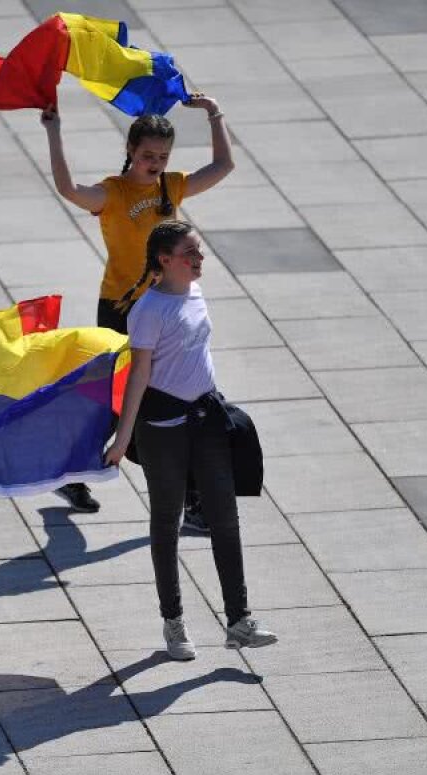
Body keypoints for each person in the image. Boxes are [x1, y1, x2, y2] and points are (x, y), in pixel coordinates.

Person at [41, 92, 234, 519]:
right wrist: (54, 131)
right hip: (121, 310)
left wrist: (214, 113)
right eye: (148, 155)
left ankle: (87, 471)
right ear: (130, 150)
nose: (156, 164)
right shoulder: (114, 193)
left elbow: (223, 166)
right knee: (129, 400)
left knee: (158, 400)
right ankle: (181, 494)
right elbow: (69, 189)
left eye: (163, 157)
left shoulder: (171, 186)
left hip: (166, 307)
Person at [104, 220, 276, 660]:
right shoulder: (148, 310)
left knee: (224, 517)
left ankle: (239, 621)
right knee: (167, 521)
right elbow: (139, 375)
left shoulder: (195, 293)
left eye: (198, 251)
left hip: (206, 418)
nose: (199, 259)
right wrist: (122, 439)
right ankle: (173, 622)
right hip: (163, 428)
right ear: (165, 261)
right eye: (189, 254)